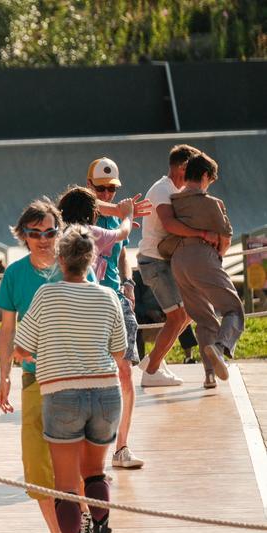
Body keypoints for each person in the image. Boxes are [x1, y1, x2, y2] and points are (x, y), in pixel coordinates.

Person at [13, 225, 126, 533]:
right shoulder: (108, 297)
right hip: (107, 393)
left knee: (64, 484)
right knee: (95, 474)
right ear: (91, 259)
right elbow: (119, 351)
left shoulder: (46, 296)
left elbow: (21, 346)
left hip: (62, 394)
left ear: (60, 260)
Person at [0, 199, 95, 533]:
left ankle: (84, 522)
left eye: (50, 231)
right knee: (37, 463)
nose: (42, 239)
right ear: (23, 236)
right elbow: (7, 329)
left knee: (77, 462)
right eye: (34, 233)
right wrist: (4, 375)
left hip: (75, 379)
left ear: (60, 232)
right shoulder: (14, 274)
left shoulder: (74, 268)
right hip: (34, 378)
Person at [162, 152, 242, 386]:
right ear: (205, 175)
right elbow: (225, 239)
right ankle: (220, 347)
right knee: (233, 310)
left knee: (204, 318)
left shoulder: (173, 200)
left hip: (178, 261)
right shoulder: (212, 203)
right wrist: (217, 256)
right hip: (203, 258)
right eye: (210, 180)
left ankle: (209, 376)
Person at [86, 158, 144, 470]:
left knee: (125, 371)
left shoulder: (115, 215)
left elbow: (122, 252)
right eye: (102, 188)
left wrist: (129, 284)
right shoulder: (81, 209)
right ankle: (91, 446)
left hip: (116, 299)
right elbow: (107, 213)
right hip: (89, 301)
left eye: (112, 189)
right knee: (93, 374)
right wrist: (125, 212)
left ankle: (121, 447)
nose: (107, 194)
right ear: (89, 186)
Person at [135, 144, 202, 386]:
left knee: (189, 313)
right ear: (183, 167)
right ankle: (151, 372)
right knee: (177, 317)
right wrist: (203, 233)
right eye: (191, 169)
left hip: (164, 262)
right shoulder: (162, 189)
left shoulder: (177, 188)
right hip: (154, 262)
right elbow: (170, 224)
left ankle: (152, 361)